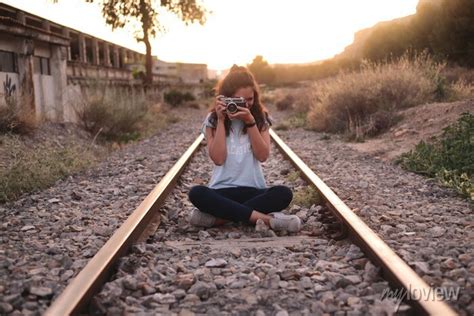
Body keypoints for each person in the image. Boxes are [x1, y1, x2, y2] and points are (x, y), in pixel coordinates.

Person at [187, 65, 302, 232]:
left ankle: (219, 219)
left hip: (253, 189)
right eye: (238, 101)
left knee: (284, 193)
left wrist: (250, 122)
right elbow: (218, 159)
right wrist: (220, 120)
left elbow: (262, 156)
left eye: (249, 99)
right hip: (221, 190)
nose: (245, 105)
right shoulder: (212, 120)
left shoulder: (260, 118)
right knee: (197, 193)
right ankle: (267, 220)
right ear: (225, 98)